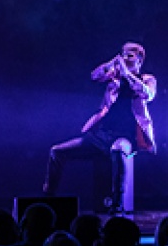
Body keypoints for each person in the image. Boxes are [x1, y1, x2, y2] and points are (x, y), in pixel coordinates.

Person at [43, 42, 157, 214]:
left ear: (139, 60)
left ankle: (117, 205)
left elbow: (147, 94)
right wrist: (112, 63)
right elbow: (94, 76)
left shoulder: (147, 79)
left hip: (126, 137)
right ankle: (48, 198)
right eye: (123, 54)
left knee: (118, 149)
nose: (125, 58)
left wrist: (127, 73)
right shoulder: (114, 76)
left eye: (130, 56)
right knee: (57, 151)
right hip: (101, 135)